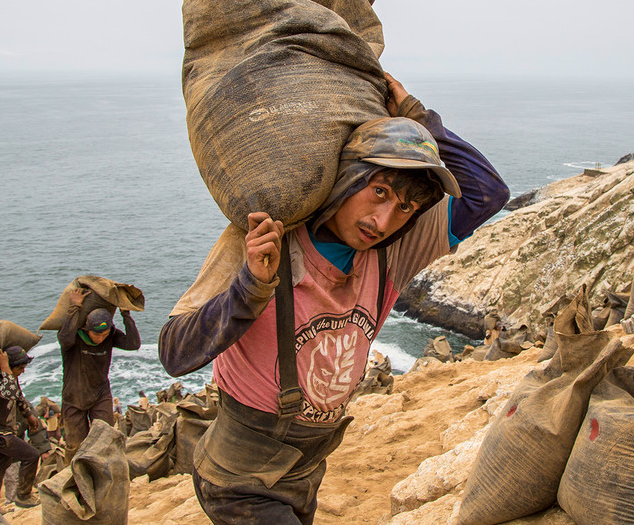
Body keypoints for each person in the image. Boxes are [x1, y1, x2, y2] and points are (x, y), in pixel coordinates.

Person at [159, 73, 508, 524]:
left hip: (304, 473)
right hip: (239, 480)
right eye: (377, 191)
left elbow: (487, 192)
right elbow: (174, 351)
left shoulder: (393, 254)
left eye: (404, 207)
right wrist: (250, 289)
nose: (382, 221)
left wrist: (419, 118)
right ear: (348, 176)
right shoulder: (265, 241)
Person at [57, 288, 141, 455]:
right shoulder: (73, 339)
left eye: (105, 334)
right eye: (97, 334)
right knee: (75, 446)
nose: (101, 338)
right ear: (87, 329)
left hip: (100, 394)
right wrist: (74, 307)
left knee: (106, 439)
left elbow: (133, 344)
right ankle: (74, 479)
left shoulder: (109, 337)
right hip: (74, 397)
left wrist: (126, 316)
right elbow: (64, 338)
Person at [0, 346, 41, 511]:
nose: (23, 371)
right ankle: (24, 495)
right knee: (32, 455)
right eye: (20, 368)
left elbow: (18, 395)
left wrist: (28, 414)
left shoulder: (10, 378)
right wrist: (5, 367)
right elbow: (11, 393)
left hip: (1, 431)